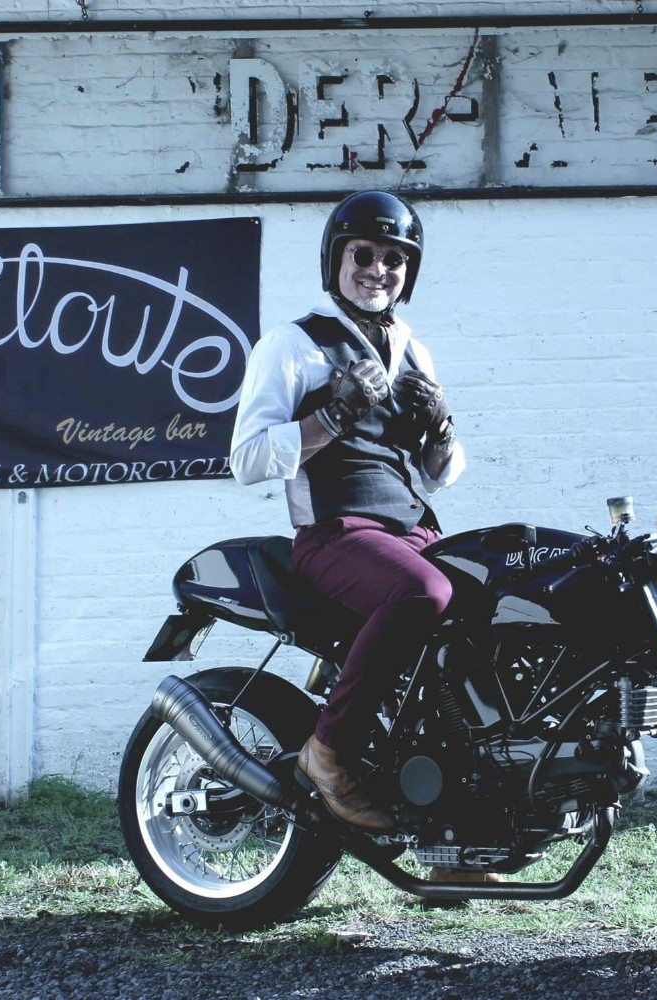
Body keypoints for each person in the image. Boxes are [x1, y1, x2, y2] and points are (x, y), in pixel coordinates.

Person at [229, 190, 464, 835]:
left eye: (394, 258)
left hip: (415, 531)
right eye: (363, 254)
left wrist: (441, 428)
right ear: (335, 259)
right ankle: (327, 752)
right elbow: (246, 458)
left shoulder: (414, 351)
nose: (378, 270)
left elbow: (438, 475)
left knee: (493, 602)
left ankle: (465, 814)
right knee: (424, 593)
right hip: (334, 534)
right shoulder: (293, 343)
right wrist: (331, 416)